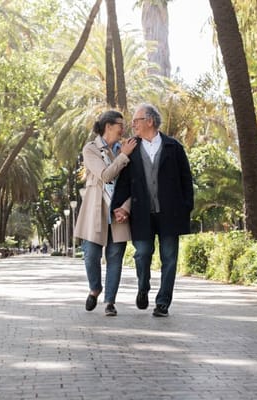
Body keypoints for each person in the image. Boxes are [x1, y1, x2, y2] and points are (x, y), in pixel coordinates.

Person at [111, 103, 194, 317]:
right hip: (141, 213)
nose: (133, 125)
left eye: (137, 120)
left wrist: (186, 208)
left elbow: (186, 179)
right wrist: (118, 207)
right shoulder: (131, 148)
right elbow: (123, 182)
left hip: (170, 213)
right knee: (142, 254)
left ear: (150, 121)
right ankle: (143, 288)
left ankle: (163, 302)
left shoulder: (173, 147)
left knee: (169, 258)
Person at [74, 110, 137, 317]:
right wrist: (124, 156)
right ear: (108, 126)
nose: (123, 128)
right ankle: (95, 289)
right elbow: (105, 175)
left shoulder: (126, 148)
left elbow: (134, 184)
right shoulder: (91, 149)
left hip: (118, 211)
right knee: (91, 254)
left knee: (115, 256)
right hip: (95, 210)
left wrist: (126, 207)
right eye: (120, 124)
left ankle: (110, 301)